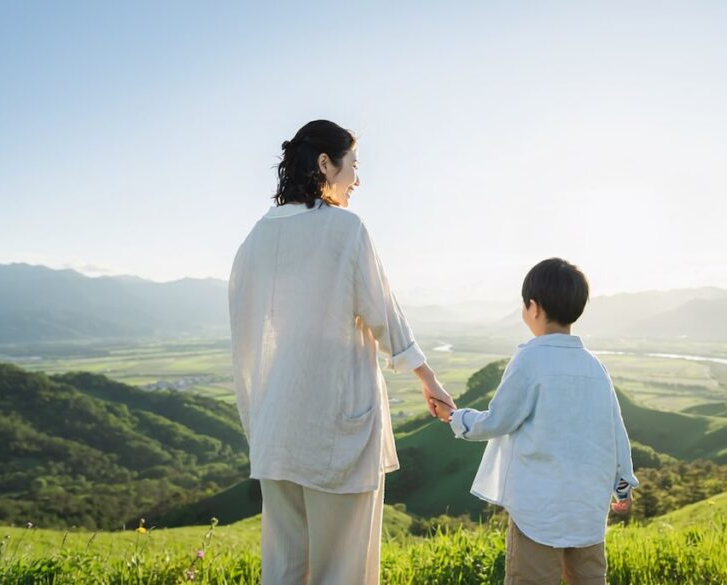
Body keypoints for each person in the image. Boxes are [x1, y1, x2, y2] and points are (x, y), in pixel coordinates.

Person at [229, 120, 454, 585]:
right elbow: (384, 315)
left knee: (285, 569)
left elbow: (248, 338)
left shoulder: (252, 241)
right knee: (342, 571)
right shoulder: (345, 230)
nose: (358, 178)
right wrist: (428, 379)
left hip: (276, 430)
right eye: (353, 165)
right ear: (325, 164)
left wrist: (259, 422)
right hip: (335, 429)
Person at [433, 258, 637, 585]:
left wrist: (455, 418)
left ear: (534, 307)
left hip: (538, 512)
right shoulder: (595, 367)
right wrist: (622, 486)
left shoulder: (529, 358)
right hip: (587, 510)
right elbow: (617, 434)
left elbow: (498, 420)